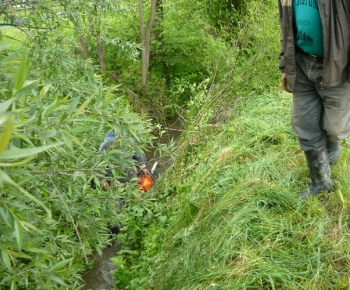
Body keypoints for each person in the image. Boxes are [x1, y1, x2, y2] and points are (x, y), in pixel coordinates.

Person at [278, 1, 350, 198]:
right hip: (301, 63)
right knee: (304, 124)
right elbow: (285, 27)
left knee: (335, 128)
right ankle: (320, 182)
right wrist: (285, 65)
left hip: (338, 65)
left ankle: (332, 141)